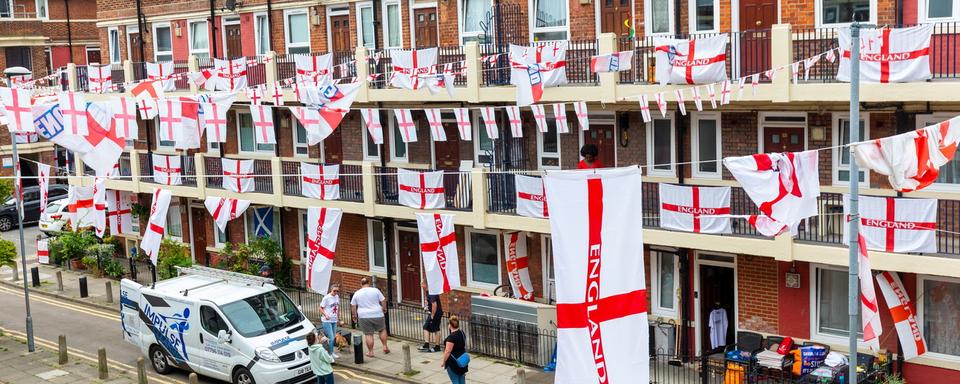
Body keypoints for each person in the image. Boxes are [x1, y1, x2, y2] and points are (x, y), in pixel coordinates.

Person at [350, 277, 390, 357]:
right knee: (382, 330)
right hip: (377, 313)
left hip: (364, 316)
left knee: (368, 334)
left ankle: (371, 352)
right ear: (369, 283)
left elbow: (353, 305)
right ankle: (385, 346)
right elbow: (383, 300)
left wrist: (354, 315)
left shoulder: (357, 293)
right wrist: (384, 308)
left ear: (361, 284)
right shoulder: (375, 290)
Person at [440, 316, 467, 384]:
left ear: (450, 325)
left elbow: (448, 352)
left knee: (455, 381)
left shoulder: (451, 338)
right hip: (462, 360)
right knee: (462, 380)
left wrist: (443, 362)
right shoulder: (462, 333)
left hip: (453, 363)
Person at [418, 281, 444, 353]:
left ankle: (437, 347)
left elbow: (434, 305)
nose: (421, 286)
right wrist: (427, 307)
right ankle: (426, 345)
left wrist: (432, 316)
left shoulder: (432, 293)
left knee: (436, 329)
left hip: (436, 314)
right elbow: (430, 303)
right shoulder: (428, 292)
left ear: (425, 285)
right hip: (433, 313)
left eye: (422, 284)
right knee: (426, 327)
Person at [319, 285, 341, 358]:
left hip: (334, 320)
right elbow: (321, 308)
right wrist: (326, 315)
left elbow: (337, 308)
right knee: (331, 337)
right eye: (334, 291)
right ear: (331, 290)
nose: (335, 292)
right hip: (327, 320)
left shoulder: (337, 297)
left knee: (333, 337)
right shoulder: (326, 298)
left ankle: (331, 352)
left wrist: (338, 318)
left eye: (337, 291)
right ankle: (330, 354)